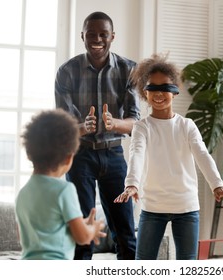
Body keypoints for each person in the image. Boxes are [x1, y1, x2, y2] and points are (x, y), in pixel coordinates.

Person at [114, 53, 223, 260]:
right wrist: (132, 184)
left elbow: (202, 153)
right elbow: (136, 153)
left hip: (186, 205)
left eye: (164, 87)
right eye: (152, 88)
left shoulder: (187, 125)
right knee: (142, 263)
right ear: (144, 93)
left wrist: (217, 184)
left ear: (174, 91)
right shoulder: (142, 127)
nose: (158, 94)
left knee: (187, 265)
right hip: (153, 205)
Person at [55, 11, 139, 260]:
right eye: (91, 34)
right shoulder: (67, 71)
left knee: (125, 234)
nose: (97, 39)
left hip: (114, 156)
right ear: (82, 36)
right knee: (82, 235)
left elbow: (135, 123)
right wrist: (83, 127)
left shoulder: (129, 70)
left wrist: (114, 124)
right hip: (79, 157)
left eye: (103, 34)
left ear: (112, 36)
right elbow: (63, 127)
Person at [15, 109, 106, 260]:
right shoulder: (64, 190)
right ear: (69, 158)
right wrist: (92, 229)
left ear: (30, 154)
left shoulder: (23, 193)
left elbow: (28, 234)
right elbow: (82, 237)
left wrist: (80, 222)